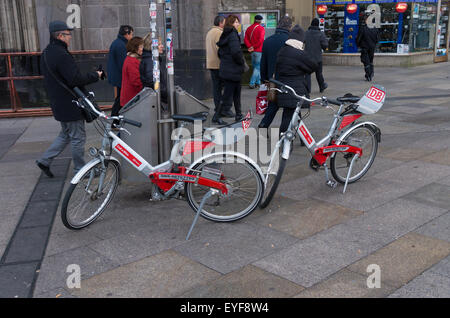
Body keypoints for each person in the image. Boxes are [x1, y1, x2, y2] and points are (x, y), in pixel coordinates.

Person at [36, 21, 102, 177]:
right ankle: (80, 170)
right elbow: (75, 79)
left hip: (59, 102)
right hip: (70, 103)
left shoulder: (46, 52)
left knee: (65, 134)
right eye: (68, 34)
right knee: (78, 138)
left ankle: (44, 160)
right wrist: (96, 75)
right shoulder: (61, 54)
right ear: (60, 35)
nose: (70, 38)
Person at [275, 25, 318, 134]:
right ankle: (284, 140)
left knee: (293, 114)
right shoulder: (298, 53)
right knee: (288, 116)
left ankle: (304, 139)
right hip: (295, 89)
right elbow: (313, 66)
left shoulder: (282, 50)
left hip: (284, 88)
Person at [258, 16, 293, 129]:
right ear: (289, 27)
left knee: (273, 104)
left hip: (273, 80)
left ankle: (263, 125)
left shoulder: (268, 41)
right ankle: (291, 133)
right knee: (291, 107)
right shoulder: (291, 41)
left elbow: (263, 62)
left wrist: (264, 79)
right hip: (288, 80)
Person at [213, 15, 246, 125]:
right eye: (236, 22)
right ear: (231, 24)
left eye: (238, 22)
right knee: (227, 95)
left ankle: (238, 114)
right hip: (233, 70)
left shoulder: (225, 34)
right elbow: (236, 52)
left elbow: (220, 52)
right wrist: (241, 62)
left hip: (229, 69)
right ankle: (217, 116)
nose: (238, 24)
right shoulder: (232, 34)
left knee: (236, 93)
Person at [107, 25, 134, 117]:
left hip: (117, 75)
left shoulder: (118, 43)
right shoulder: (121, 45)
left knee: (120, 98)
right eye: (131, 34)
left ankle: (115, 120)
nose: (132, 37)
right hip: (120, 77)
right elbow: (123, 63)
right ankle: (114, 121)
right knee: (120, 99)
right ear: (127, 34)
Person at [206, 16, 228, 117]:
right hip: (219, 64)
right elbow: (221, 49)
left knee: (216, 89)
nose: (226, 24)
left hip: (211, 63)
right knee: (224, 88)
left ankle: (217, 108)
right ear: (220, 23)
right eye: (224, 22)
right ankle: (222, 110)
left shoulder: (209, 32)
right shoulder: (219, 33)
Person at [140, 35, 168, 106]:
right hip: (157, 99)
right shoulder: (151, 61)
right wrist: (167, 93)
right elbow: (152, 81)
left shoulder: (150, 59)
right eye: (159, 44)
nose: (162, 46)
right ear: (151, 46)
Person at [305, 18, 329, 94]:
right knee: (319, 74)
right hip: (318, 58)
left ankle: (307, 89)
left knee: (307, 74)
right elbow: (325, 45)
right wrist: (324, 47)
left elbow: (302, 41)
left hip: (308, 58)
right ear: (318, 24)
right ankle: (322, 86)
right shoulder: (320, 34)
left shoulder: (306, 33)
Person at [120, 37, 144, 107]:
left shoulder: (131, 59)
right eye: (141, 47)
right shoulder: (132, 61)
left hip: (131, 98)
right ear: (135, 48)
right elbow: (136, 82)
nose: (143, 49)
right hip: (132, 98)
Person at [356, 12, 380, 82]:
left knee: (366, 62)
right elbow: (377, 39)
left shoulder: (363, 28)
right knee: (370, 61)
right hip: (372, 48)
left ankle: (369, 75)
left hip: (365, 48)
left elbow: (358, 38)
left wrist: (358, 45)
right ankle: (371, 73)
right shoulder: (375, 29)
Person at [244, 15, 266, 89]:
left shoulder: (249, 28)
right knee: (257, 67)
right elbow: (261, 40)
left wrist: (250, 46)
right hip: (259, 50)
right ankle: (252, 83)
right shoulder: (261, 28)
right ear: (260, 21)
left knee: (255, 67)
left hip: (252, 51)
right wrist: (254, 47)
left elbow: (245, 39)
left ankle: (258, 82)